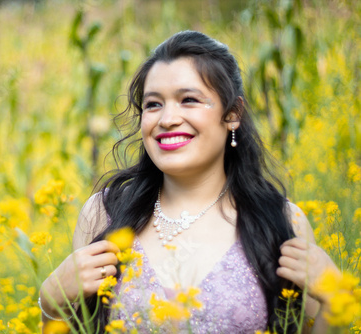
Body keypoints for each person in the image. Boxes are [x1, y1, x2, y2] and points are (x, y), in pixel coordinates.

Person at [39, 30, 339, 333]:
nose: (167, 118)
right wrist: (51, 307)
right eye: (153, 104)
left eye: (189, 100)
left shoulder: (281, 221)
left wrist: (336, 302)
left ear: (233, 114)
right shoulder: (103, 214)